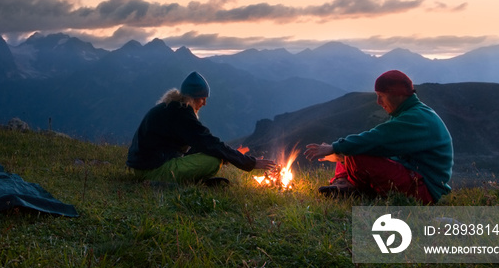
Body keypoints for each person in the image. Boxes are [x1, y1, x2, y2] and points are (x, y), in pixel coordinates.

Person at [304, 70, 453, 204]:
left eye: (381, 96)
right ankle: (343, 183)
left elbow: (376, 139)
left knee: (355, 151)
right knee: (352, 149)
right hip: (414, 176)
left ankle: (352, 187)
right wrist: (341, 155)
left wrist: (334, 148)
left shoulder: (416, 118)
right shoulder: (409, 113)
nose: (378, 102)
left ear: (397, 94)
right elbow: (385, 149)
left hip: (422, 190)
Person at [127, 71, 277, 184]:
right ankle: (167, 183)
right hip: (152, 170)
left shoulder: (172, 108)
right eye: (202, 99)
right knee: (213, 161)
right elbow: (208, 141)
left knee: (211, 153)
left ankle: (194, 182)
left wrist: (229, 156)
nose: (204, 104)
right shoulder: (182, 113)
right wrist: (249, 162)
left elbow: (200, 143)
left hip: (144, 165)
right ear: (193, 98)